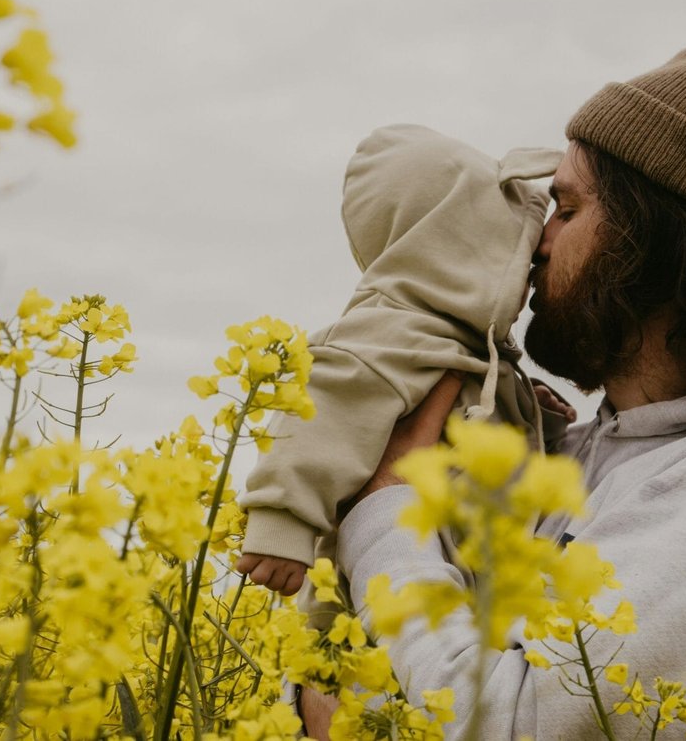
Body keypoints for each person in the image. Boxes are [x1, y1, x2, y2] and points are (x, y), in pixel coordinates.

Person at [304, 21, 686, 739]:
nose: (536, 241)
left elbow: (519, 726)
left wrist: (387, 510)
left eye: (567, 210)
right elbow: (443, 687)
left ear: (657, 243)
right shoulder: (596, 452)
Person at [236, 124, 575, 596]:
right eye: (514, 253)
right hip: (378, 604)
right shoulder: (389, 332)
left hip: (464, 602)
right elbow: (322, 412)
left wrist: (537, 419)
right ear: (458, 251)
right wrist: (281, 523)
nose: (536, 261)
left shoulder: (477, 352)